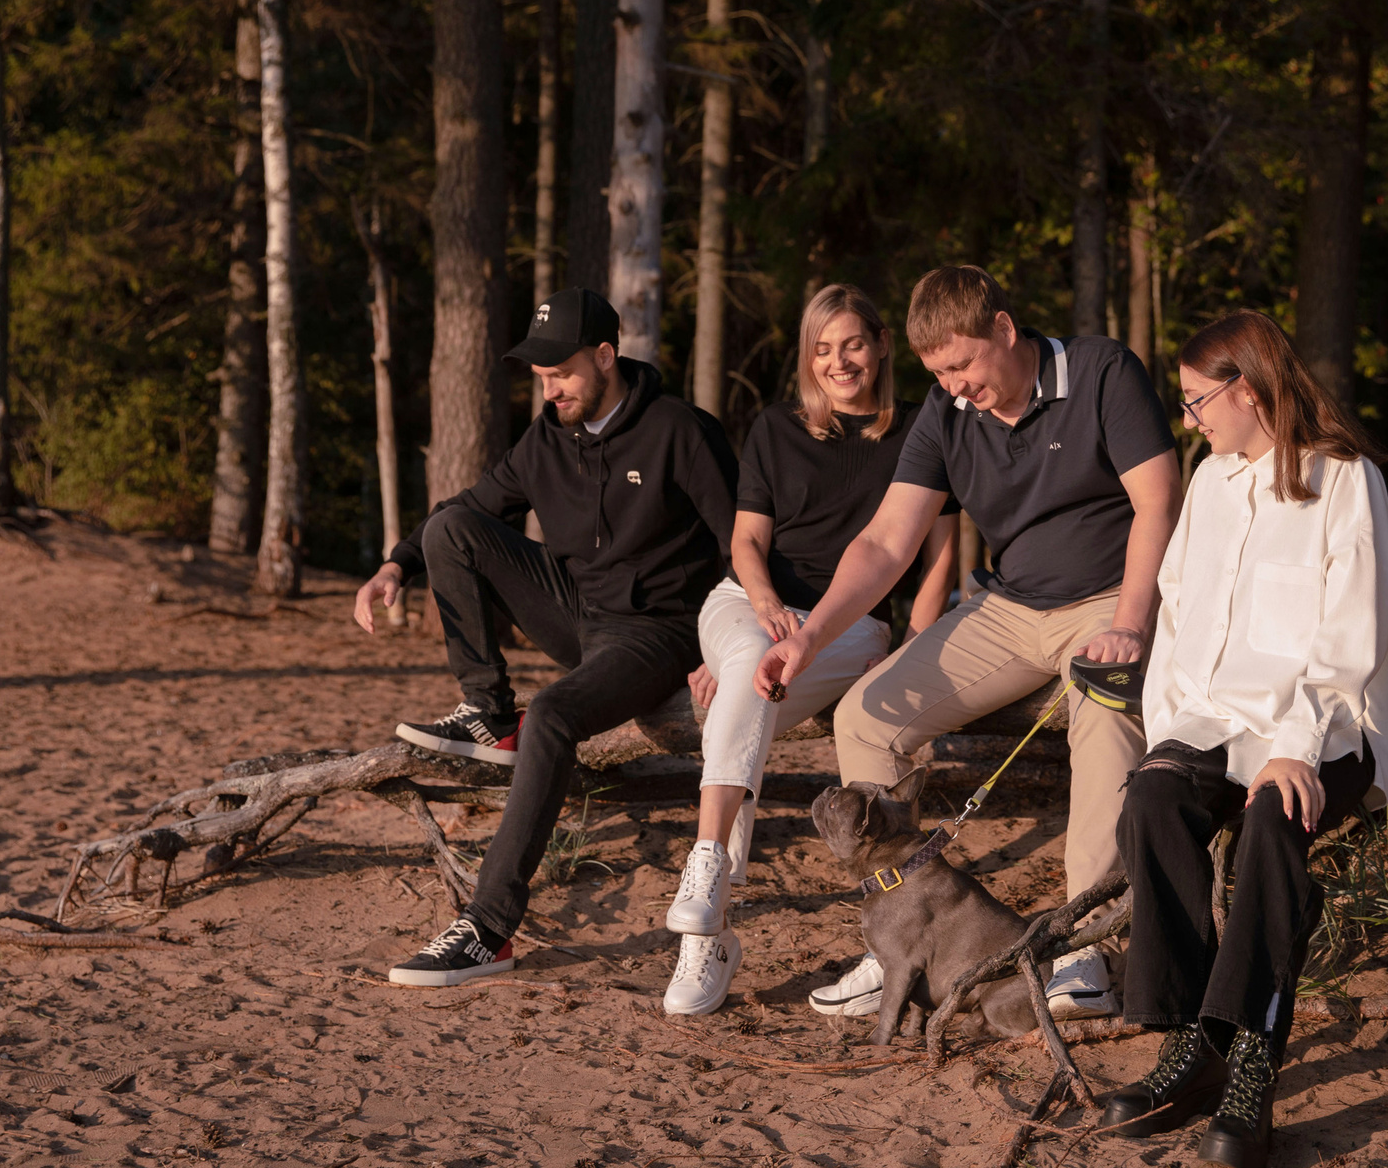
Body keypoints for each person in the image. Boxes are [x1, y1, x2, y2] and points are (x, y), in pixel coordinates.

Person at [758, 265, 1182, 1023]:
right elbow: (887, 541)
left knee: (1107, 715)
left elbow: (1159, 500)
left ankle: (1085, 949)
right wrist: (811, 637)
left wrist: (1131, 620)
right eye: (937, 373)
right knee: (866, 715)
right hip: (1009, 608)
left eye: (961, 364)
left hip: (1109, 600)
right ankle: (900, 936)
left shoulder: (1101, 371)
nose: (953, 386)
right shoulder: (946, 412)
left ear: (1005, 330)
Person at [1094, 310, 1388, 1168]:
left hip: (1332, 725)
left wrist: (1297, 744)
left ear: (1251, 387)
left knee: (1274, 818)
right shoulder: (1210, 481)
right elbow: (1184, 620)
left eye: (1200, 399)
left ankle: (1253, 1059)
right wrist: (1171, 738)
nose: (1190, 417)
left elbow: (1357, 634)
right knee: (1153, 797)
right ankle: (1191, 1045)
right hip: (1216, 718)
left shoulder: (1343, 479)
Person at [354, 287, 737, 987]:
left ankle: (488, 928)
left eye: (560, 373)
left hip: (658, 632)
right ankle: (489, 710)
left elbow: (741, 542)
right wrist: (395, 564)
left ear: (604, 355)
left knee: (555, 713)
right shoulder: (547, 436)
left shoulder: (682, 431)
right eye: (538, 376)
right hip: (577, 611)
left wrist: (728, 648)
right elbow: (470, 508)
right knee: (451, 530)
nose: (549, 388)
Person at [661, 285, 960, 1016]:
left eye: (852, 343)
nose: (838, 361)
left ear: (883, 343)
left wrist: (916, 642)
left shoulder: (924, 430)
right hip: (746, 604)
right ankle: (708, 878)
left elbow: (940, 556)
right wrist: (765, 609)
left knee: (744, 687)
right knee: (747, 665)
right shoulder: (774, 428)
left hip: (850, 624)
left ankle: (707, 923)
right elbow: (747, 543)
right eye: (822, 349)